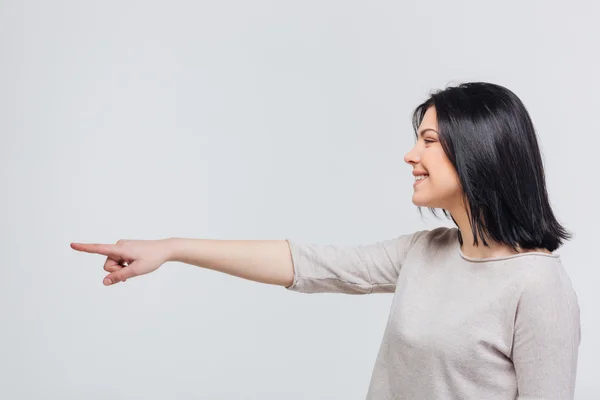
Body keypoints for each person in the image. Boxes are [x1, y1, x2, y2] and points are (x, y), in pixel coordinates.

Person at [71, 82, 581, 399]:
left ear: (479, 153)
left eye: (428, 141)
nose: (409, 155)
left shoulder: (536, 285)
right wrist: (171, 248)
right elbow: (307, 264)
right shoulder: (424, 252)